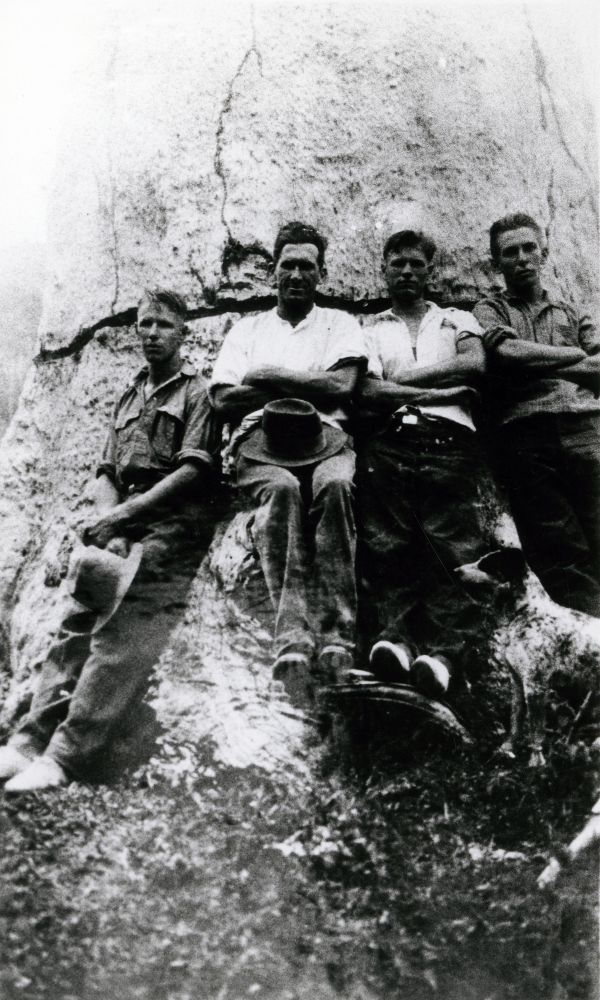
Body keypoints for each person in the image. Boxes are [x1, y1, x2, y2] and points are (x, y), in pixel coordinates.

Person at [0, 288, 220, 792]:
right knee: (78, 620)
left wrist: (121, 519)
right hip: (124, 524)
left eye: (163, 325)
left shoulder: (197, 393)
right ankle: (28, 742)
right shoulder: (129, 394)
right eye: (144, 324)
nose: (151, 334)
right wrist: (111, 526)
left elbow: (192, 473)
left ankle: (67, 756)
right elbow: (104, 473)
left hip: (172, 527)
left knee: (117, 629)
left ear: (183, 332)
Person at [210, 221, 367, 699]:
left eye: (307, 266)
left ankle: (339, 639)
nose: (297, 274)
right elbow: (222, 400)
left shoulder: (339, 324)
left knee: (336, 487)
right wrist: (305, 382)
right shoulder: (248, 329)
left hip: (327, 438)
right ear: (273, 273)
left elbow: (342, 387)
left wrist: (273, 375)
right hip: (260, 442)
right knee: (280, 493)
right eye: (288, 265)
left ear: (321, 274)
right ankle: (292, 640)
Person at [357, 229, 490, 699]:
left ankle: (445, 657)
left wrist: (409, 379)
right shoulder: (369, 329)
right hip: (391, 439)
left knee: (454, 547)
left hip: (451, 441)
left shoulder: (457, 318)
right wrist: (442, 392)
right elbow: (370, 391)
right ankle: (393, 642)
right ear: (385, 270)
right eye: (398, 264)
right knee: (387, 543)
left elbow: (473, 366)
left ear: (430, 270)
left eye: (416, 264)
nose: (407, 272)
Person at [473, 212, 600, 617]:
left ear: (543, 252)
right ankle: (590, 638)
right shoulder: (489, 310)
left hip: (587, 429)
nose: (523, 258)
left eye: (530, 248)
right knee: (560, 545)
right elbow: (507, 355)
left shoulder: (570, 311)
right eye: (511, 252)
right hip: (526, 435)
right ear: (497, 263)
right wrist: (573, 356)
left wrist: (536, 361)